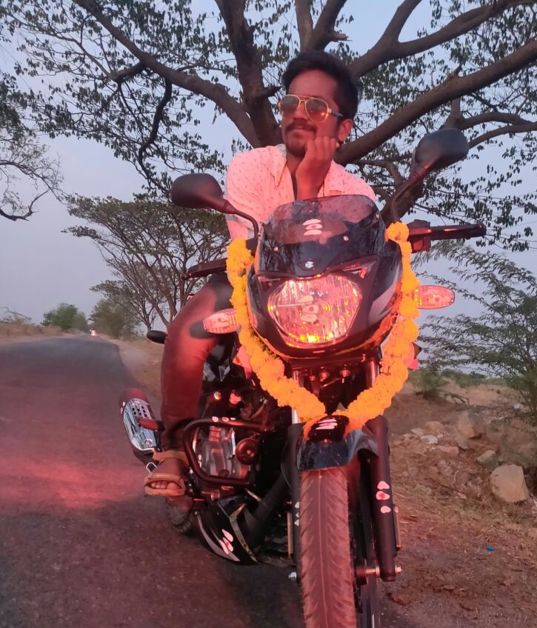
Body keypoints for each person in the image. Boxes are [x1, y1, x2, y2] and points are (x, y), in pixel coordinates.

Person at [145, 49, 376, 496]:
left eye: (316, 107)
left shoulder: (357, 191)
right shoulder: (250, 166)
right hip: (247, 281)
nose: (298, 114)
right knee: (189, 331)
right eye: (291, 103)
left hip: (326, 302)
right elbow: (260, 251)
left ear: (343, 128)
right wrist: (307, 185)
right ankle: (174, 447)